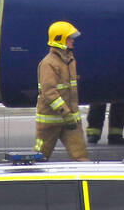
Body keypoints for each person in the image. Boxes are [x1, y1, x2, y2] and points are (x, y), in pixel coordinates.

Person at [35, 21, 89, 161]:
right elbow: (49, 93)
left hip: (70, 120)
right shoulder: (48, 63)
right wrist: (65, 113)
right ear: (60, 39)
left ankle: (84, 181)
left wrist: (71, 116)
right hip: (50, 122)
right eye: (69, 37)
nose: (72, 40)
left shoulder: (70, 60)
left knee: (81, 157)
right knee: (38, 159)